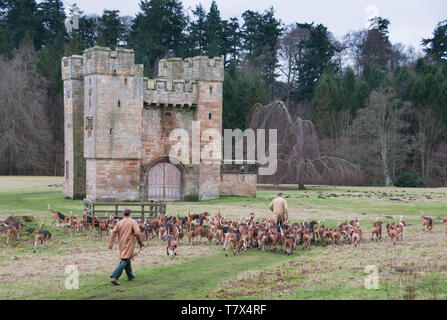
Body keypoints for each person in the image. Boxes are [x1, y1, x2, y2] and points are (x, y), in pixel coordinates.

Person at [108, 209, 143, 286]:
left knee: (127, 258)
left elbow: (113, 232)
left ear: (124, 214)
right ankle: (115, 277)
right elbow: (137, 232)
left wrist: (111, 243)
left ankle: (130, 275)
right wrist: (140, 243)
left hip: (121, 243)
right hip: (129, 243)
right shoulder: (133, 222)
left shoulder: (119, 222)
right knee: (125, 259)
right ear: (130, 214)